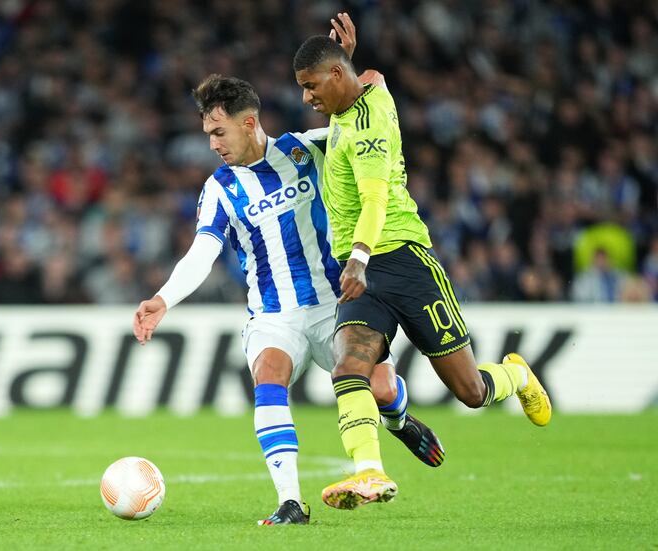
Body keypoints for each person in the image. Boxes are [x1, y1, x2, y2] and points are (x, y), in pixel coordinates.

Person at [133, 17, 444, 526]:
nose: (212, 143)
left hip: (333, 303)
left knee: (383, 389)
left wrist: (346, 66)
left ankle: (402, 421)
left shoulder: (306, 148)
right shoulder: (219, 189)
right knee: (269, 378)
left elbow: (366, 115)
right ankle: (290, 502)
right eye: (207, 133)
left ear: (249, 122)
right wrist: (162, 299)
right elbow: (202, 252)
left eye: (218, 131)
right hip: (273, 313)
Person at [292, 34, 552, 510]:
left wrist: (358, 257)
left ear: (334, 76)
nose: (306, 98)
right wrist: (347, 58)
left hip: (405, 264)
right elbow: (371, 76)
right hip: (365, 274)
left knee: (471, 392)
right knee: (349, 365)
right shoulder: (366, 90)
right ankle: (368, 471)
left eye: (311, 86)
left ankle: (515, 376)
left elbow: (373, 200)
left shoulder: (367, 131)